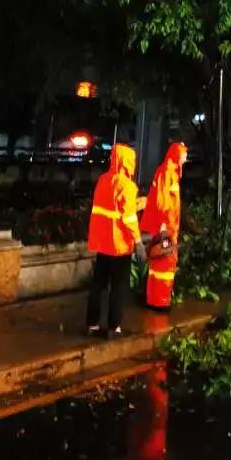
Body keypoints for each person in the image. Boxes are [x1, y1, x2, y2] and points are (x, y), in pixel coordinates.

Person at [86, 143, 144, 336]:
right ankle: (114, 327)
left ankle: (92, 324)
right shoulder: (127, 185)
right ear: (127, 162)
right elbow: (128, 219)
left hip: (103, 245)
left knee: (98, 285)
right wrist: (138, 242)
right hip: (119, 247)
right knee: (118, 288)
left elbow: (107, 211)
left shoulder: (103, 180)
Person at [142, 141, 187, 312]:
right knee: (166, 262)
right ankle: (160, 302)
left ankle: (154, 300)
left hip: (167, 227)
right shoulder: (167, 173)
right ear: (177, 155)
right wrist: (163, 227)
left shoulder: (171, 172)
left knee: (159, 261)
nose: (185, 158)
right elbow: (162, 201)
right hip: (166, 227)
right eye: (183, 154)